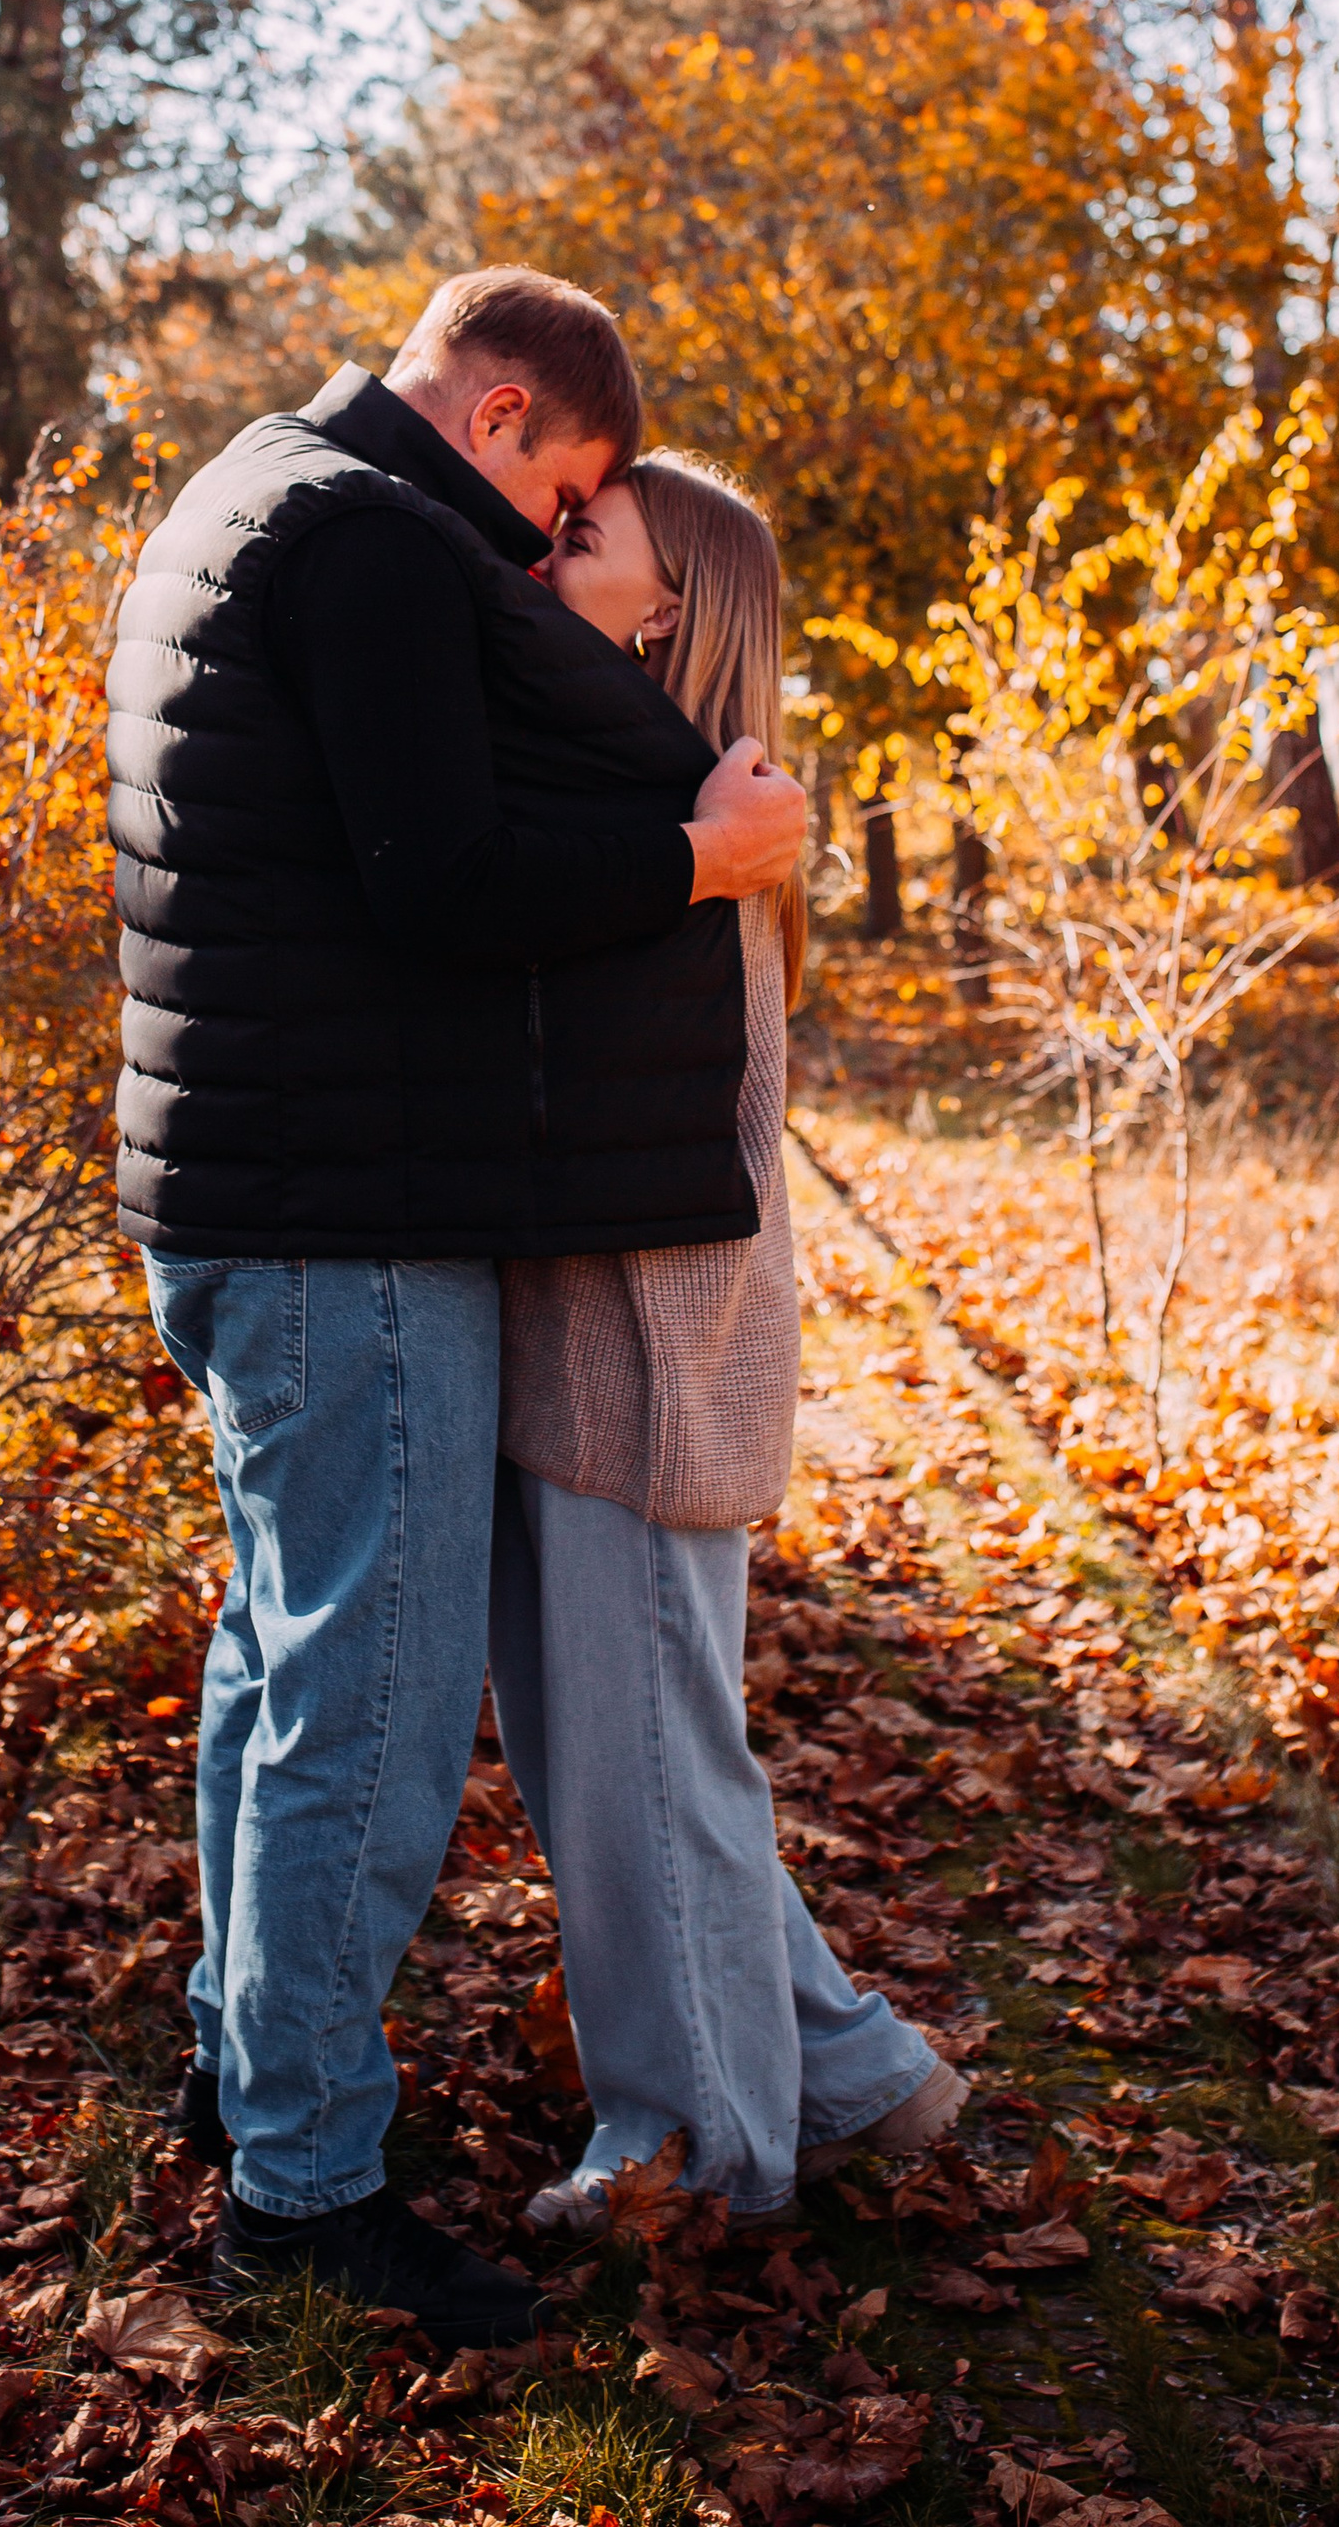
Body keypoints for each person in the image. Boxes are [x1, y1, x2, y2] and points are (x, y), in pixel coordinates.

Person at [106, 272, 806, 2344]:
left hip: (242, 1187)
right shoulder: (379, 543)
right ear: (499, 417)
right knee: (371, 1699)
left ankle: (249, 2071)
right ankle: (306, 2191)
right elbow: (442, 880)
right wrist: (694, 857)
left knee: (277, 1657)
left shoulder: (247, 487)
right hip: (350, 1212)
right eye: (566, 490)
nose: (550, 538)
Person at [494, 452, 968, 2230]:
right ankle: (848, 2067)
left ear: (673, 606)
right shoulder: (667, 789)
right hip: (600, 1341)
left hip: (650, 1346)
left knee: (643, 1769)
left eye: (584, 531)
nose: (546, 545)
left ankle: (697, 2150)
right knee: (620, 1756)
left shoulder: (692, 803)